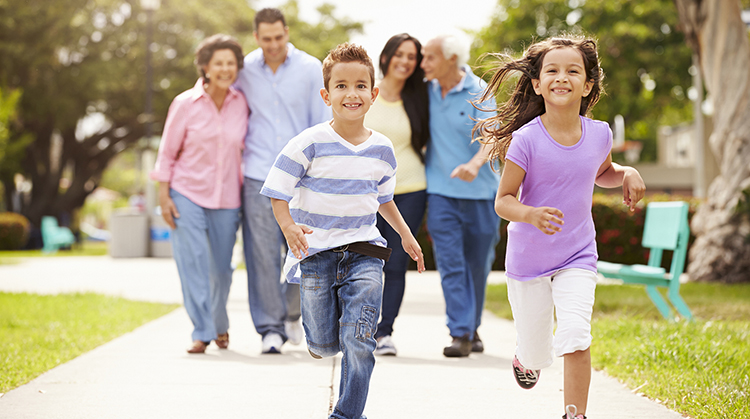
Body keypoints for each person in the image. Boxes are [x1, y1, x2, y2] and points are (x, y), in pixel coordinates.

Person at [474, 35, 646, 419]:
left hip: (578, 254)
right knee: (538, 351)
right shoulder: (526, 140)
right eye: (551, 70)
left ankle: (574, 414)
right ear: (537, 83)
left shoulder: (600, 134)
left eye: (573, 70)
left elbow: (601, 172)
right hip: (529, 261)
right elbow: (503, 201)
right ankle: (525, 357)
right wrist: (530, 214)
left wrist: (627, 172)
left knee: (575, 334)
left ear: (587, 85)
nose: (561, 77)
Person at [261, 43, 425, 419]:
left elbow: (384, 200)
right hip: (316, 254)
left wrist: (405, 233)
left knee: (360, 338)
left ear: (373, 94)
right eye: (341, 86)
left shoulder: (383, 149)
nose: (352, 93)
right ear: (326, 94)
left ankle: (348, 413)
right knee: (323, 343)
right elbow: (277, 191)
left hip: (365, 253)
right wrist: (288, 227)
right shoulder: (309, 143)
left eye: (360, 86)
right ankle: (322, 339)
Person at [235, 7, 331, 354]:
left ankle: (292, 313)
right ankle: (269, 329)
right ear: (257, 37)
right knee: (260, 254)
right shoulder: (243, 70)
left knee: (300, 249)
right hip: (256, 174)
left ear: (286, 32)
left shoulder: (310, 69)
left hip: (297, 178)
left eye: (279, 37)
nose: (273, 44)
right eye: (266, 39)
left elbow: (320, 123)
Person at [150, 34, 247, 354]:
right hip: (186, 193)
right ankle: (202, 330)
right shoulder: (184, 104)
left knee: (221, 268)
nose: (224, 69)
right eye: (218, 63)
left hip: (228, 198)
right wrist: (164, 197)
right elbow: (167, 153)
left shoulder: (241, 104)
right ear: (205, 67)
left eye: (230, 63)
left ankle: (219, 322)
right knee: (193, 263)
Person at [421, 33, 500, 358]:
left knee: (478, 266)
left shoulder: (479, 91)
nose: (423, 64)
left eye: (430, 58)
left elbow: (493, 137)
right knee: (452, 264)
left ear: (451, 59)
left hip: (481, 194)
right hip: (440, 193)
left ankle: (471, 325)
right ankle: (461, 332)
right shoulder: (423, 92)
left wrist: (474, 163)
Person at [363, 33, 430, 357]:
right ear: (387, 56)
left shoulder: (420, 97)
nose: (405, 61)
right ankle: (357, 326)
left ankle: (384, 331)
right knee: (362, 259)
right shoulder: (367, 92)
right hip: (364, 192)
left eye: (412, 57)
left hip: (410, 189)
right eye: (400, 55)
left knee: (396, 260)